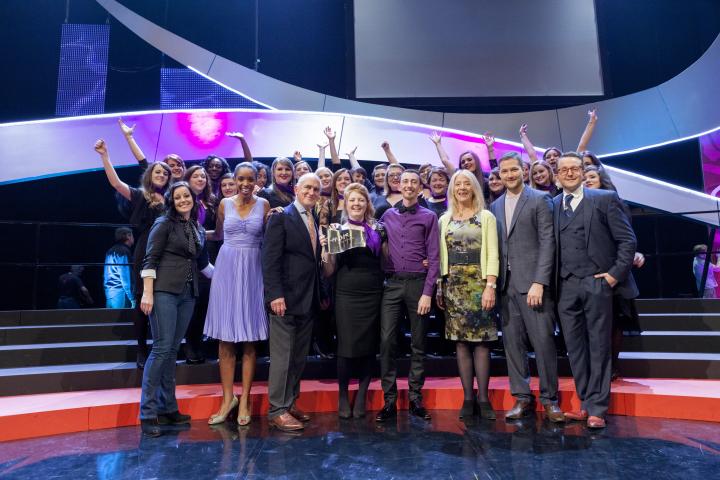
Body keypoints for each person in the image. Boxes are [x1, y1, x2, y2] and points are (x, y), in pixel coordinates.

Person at [553, 152, 637, 429]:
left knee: (599, 345)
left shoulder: (604, 199)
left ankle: (597, 409)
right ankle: (584, 402)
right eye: (563, 169)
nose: (569, 173)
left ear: (582, 170)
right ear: (557, 175)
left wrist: (614, 275)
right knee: (575, 349)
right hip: (565, 286)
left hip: (596, 282)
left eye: (574, 168)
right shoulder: (552, 205)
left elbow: (627, 240)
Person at [489, 152, 564, 423]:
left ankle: (550, 400)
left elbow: (548, 243)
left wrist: (539, 282)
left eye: (513, 170)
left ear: (523, 170)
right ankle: (522, 398)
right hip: (506, 288)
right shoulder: (495, 206)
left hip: (533, 286)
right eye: (504, 171)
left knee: (543, 344)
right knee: (512, 346)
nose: (509, 175)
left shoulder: (539, 199)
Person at [138, 181, 213, 437]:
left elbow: (204, 265)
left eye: (187, 196)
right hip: (163, 292)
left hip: (188, 294)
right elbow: (150, 259)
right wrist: (148, 292)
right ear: (172, 201)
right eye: (178, 197)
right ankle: (147, 413)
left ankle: (168, 408)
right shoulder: (163, 224)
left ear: (193, 199)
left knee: (171, 351)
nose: (183, 200)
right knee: (160, 349)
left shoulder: (196, 228)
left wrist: (231, 278)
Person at [95, 139, 171, 369]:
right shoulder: (140, 195)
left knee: (165, 299)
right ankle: (141, 349)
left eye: (165, 173)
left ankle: (163, 348)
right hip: (146, 250)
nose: (162, 175)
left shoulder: (174, 198)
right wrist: (105, 156)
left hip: (169, 253)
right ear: (150, 175)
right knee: (141, 301)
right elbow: (117, 184)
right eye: (157, 172)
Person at [205, 162, 270, 426]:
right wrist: (193, 234)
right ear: (235, 179)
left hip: (253, 270)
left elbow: (270, 238)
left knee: (250, 339)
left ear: (257, 180)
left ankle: (245, 400)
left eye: (249, 179)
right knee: (225, 339)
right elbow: (219, 235)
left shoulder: (265, 205)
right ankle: (227, 398)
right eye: (240, 179)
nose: (244, 184)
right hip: (227, 270)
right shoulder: (224, 204)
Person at [376, 170, 440, 422]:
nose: (409, 186)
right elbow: (371, 238)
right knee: (387, 341)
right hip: (391, 285)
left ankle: (415, 398)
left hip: (417, 285)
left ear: (419, 186)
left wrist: (428, 292)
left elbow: (434, 257)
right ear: (399, 186)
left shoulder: (429, 216)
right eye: (405, 182)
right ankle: (389, 400)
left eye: (414, 182)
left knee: (418, 343)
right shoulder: (386, 215)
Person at [262, 173, 323, 432]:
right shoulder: (280, 217)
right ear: (296, 188)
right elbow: (270, 260)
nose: (311, 192)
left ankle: (290, 402)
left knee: (298, 358)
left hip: (308, 299)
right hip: (285, 299)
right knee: (282, 358)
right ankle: (277, 409)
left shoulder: (314, 218)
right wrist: (275, 295)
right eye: (307, 187)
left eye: (316, 189)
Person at [436, 170, 499, 420]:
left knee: (481, 342)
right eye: (457, 184)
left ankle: (483, 399)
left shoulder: (486, 217)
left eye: (467, 184)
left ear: (474, 188)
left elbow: (493, 253)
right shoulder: (444, 219)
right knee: (460, 342)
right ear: (452, 190)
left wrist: (490, 285)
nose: (462, 187)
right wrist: (440, 285)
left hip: (479, 284)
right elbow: (442, 255)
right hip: (453, 285)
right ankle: (468, 398)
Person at [320, 183, 384, 419]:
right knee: (346, 349)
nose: (356, 204)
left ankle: (362, 395)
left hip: (373, 294)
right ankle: (343, 395)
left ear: (367, 203)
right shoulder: (338, 230)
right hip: (346, 295)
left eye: (361, 200)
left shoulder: (378, 229)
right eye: (352, 200)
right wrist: (326, 251)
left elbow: (385, 262)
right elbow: (329, 272)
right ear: (345, 204)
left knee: (368, 349)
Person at [183, 166, 218, 364]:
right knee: (192, 306)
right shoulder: (184, 201)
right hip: (188, 260)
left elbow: (205, 232)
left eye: (203, 176)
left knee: (203, 303)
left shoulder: (209, 201)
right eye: (195, 176)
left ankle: (197, 345)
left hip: (205, 258)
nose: (201, 179)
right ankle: (190, 347)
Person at [519, 109, 598, 173]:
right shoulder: (542, 174)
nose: (552, 158)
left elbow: (582, 145)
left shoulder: (571, 171)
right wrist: (522, 135)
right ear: (544, 161)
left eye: (555, 155)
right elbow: (532, 154)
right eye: (548, 157)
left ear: (562, 158)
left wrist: (592, 122)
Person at [104, 227, 135, 309]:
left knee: (111, 321)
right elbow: (125, 277)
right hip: (121, 295)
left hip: (109, 295)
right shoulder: (124, 251)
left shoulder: (109, 251)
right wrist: (132, 298)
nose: (133, 238)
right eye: (132, 236)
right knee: (124, 321)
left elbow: (105, 275)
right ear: (128, 236)